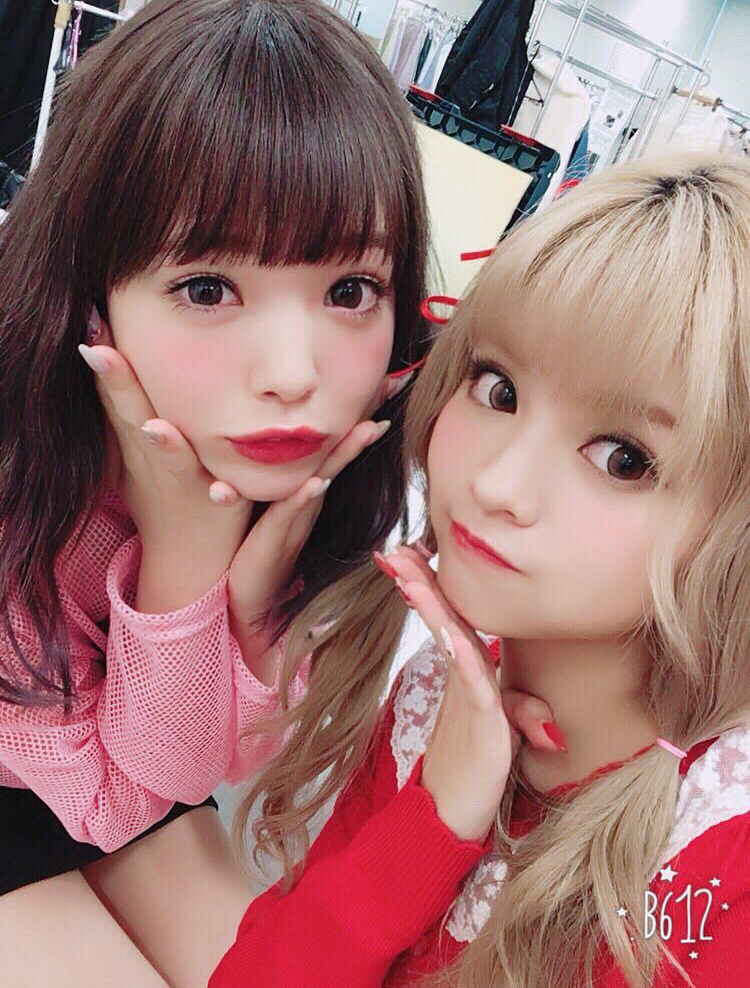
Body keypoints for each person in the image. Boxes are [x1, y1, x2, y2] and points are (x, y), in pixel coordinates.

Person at [212, 154, 750, 987]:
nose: (497, 484)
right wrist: (434, 822)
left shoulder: (718, 872)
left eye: (624, 459)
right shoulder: (445, 699)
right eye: (498, 389)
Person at [0, 0, 432, 983]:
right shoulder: (23, 467)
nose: (293, 371)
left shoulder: (309, 470)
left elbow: (211, 763)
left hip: (132, 764)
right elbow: (113, 804)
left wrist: (237, 595)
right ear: (91, 296)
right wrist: (190, 550)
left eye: (349, 290)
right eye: (207, 288)